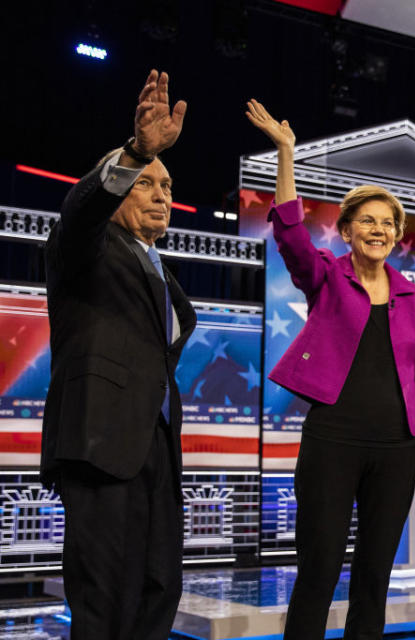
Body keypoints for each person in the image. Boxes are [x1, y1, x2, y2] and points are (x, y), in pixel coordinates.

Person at [245, 99, 415, 639]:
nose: (378, 230)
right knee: (320, 567)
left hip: (398, 448)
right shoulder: (327, 278)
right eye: (367, 222)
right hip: (332, 438)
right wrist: (286, 154)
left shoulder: (414, 296)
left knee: (375, 578)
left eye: (387, 223)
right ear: (350, 229)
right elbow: (288, 234)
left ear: (397, 235)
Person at [41, 69, 196, 639]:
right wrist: (135, 151)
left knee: (160, 589)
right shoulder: (86, 248)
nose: (161, 195)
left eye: (169, 187)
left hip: (155, 447)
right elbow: (81, 212)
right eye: (146, 183)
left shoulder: (161, 273)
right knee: (104, 597)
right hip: (101, 444)